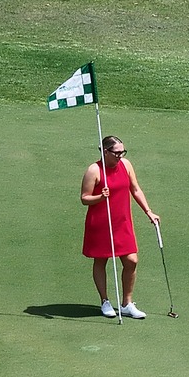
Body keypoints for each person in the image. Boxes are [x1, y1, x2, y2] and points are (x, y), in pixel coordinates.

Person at [80, 135, 160, 319]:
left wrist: (149, 211)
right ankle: (105, 301)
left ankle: (127, 303)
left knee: (131, 260)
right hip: (101, 223)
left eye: (122, 152)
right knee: (101, 260)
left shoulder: (126, 165)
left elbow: (135, 189)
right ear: (105, 152)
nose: (120, 156)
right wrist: (100, 197)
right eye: (116, 153)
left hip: (122, 221)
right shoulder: (94, 170)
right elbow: (84, 198)